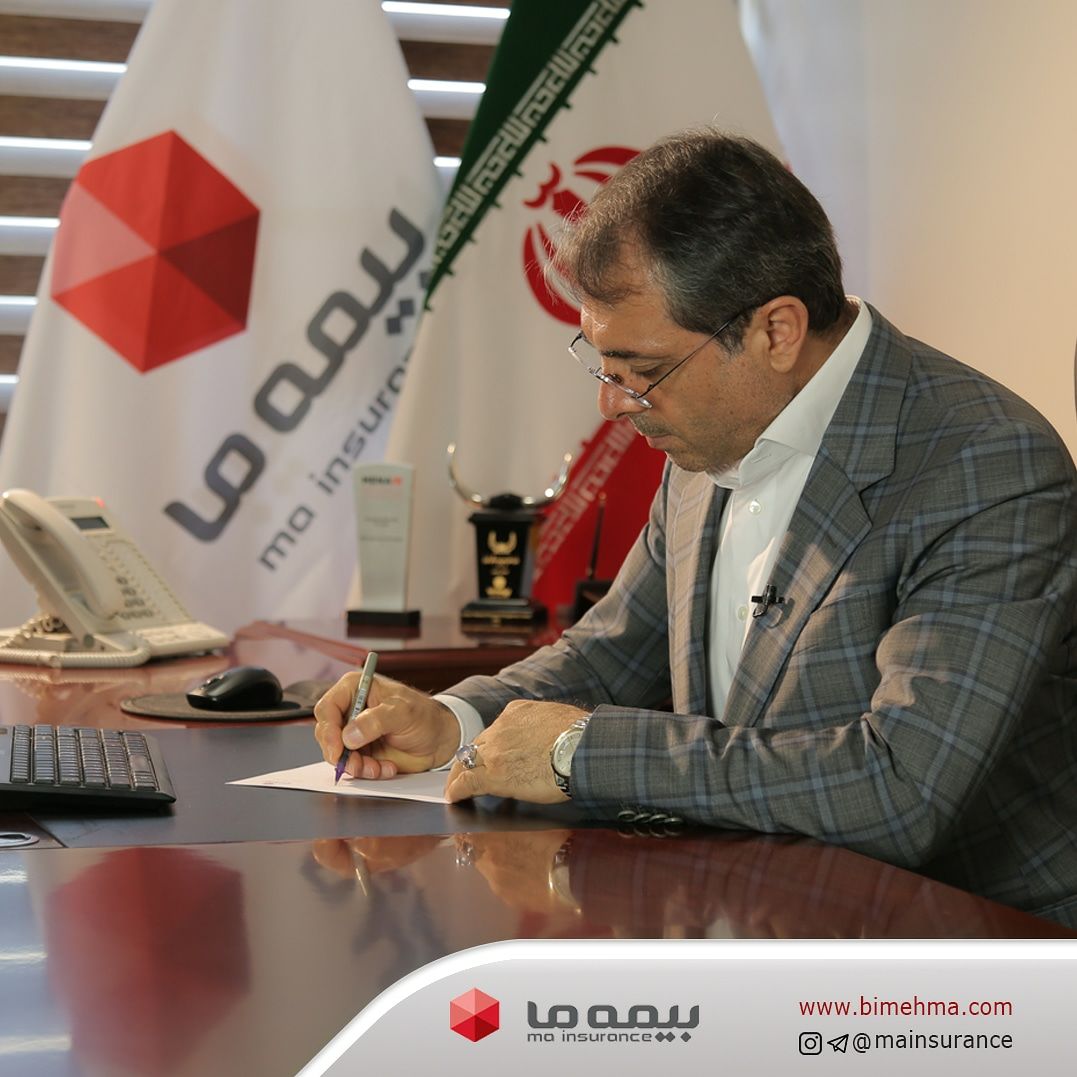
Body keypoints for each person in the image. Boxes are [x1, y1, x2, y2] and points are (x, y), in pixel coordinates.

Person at [314, 129, 1077, 926]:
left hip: (971, 948)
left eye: (643, 371)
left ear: (775, 331)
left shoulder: (985, 463)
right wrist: (456, 720)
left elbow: (898, 787)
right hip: (754, 917)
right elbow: (613, 653)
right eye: (602, 363)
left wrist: (579, 753)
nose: (613, 403)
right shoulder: (707, 426)